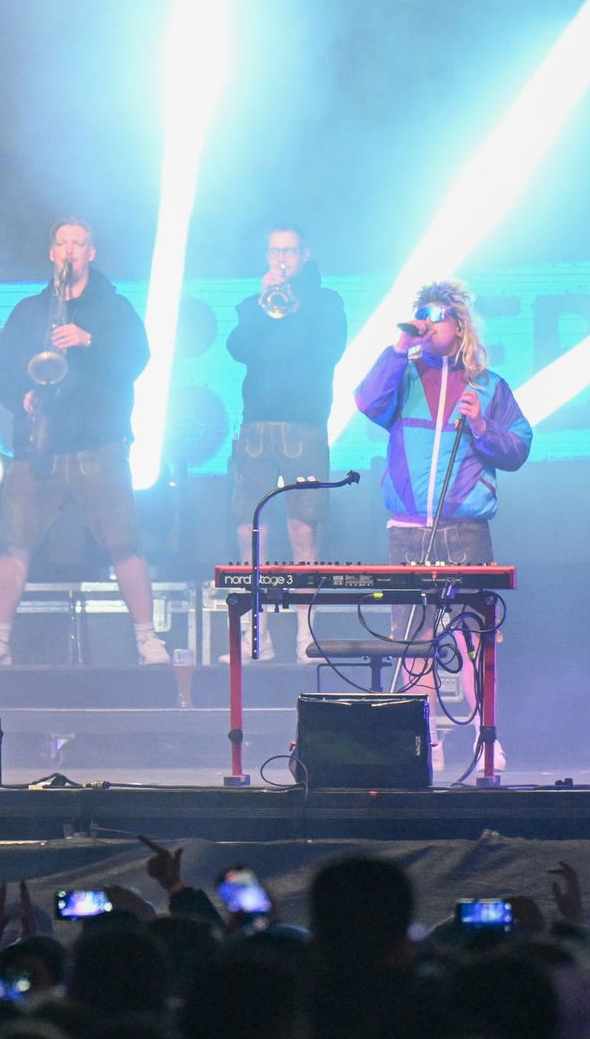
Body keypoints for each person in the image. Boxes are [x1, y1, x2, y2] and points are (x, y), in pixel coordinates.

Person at [0, 218, 170, 667]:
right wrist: (22, 396)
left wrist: (88, 339)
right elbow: (1, 371)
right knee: (13, 543)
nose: (70, 251)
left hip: (99, 443)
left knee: (124, 544)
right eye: (62, 243)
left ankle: (146, 637)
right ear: (51, 253)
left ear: (91, 253)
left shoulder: (113, 308)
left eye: (79, 243)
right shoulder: (28, 310)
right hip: (41, 444)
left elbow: (138, 358)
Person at [355, 280, 531, 776]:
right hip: (409, 527)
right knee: (414, 637)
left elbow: (518, 448)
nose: (426, 323)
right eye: (420, 315)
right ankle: (423, 739)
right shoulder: (403, 375)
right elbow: (367, 403)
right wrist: (397, 348)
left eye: (435, 315)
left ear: (458, 325)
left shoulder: (489, 385)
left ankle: (485, 737)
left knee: (473, 635)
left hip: (465, 527)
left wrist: (482, 426)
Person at [225, 225, 347, 662]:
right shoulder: (253, 304)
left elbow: (326, 350)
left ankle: (304, 632)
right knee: (249, 527)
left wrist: (293, 308)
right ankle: (256, 635)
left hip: (305, 425)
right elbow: (237, 348)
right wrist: (262, 305)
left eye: (289, 251)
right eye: (275, 251)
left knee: (303, 527)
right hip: (257, 426)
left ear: (305, 254)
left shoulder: (327, 303)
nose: (282, 259)